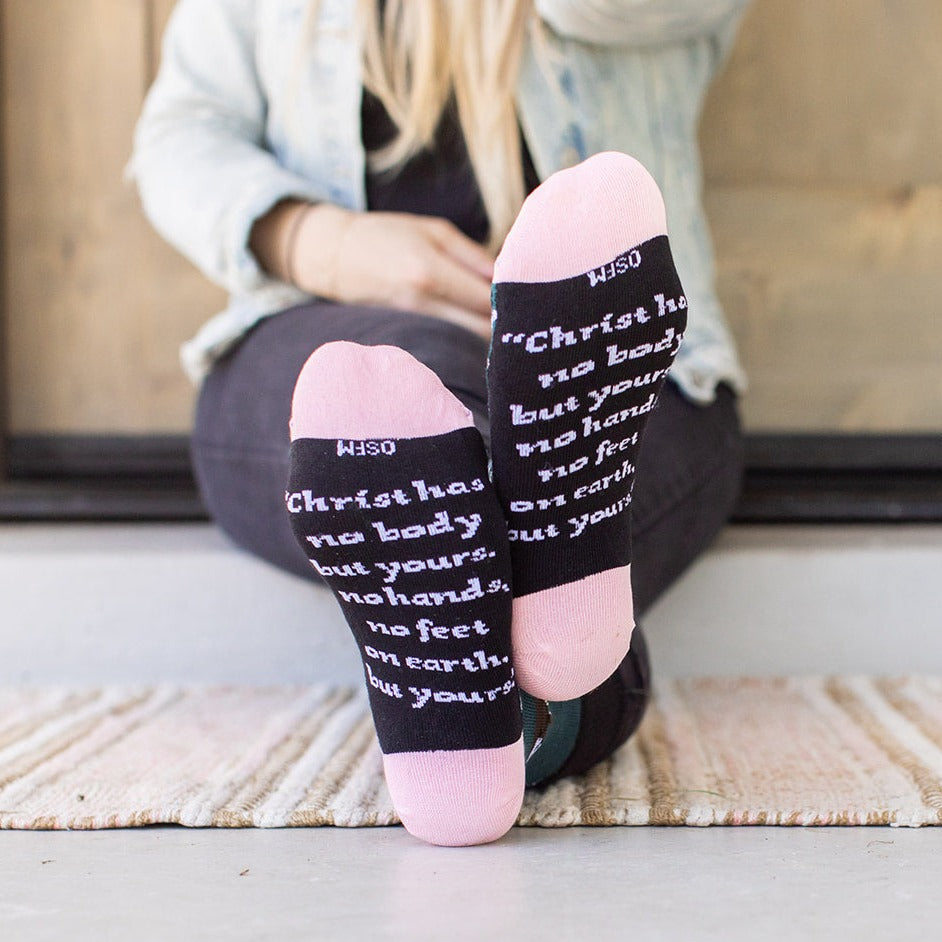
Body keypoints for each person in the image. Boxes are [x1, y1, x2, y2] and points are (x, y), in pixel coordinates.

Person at [130, 0, 750, 846]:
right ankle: (551, 675)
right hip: (333, 335)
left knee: (463, 481)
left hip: (648, 378)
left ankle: (458, 716)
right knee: (389, 409)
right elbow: (182, 132)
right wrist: (322, 241)